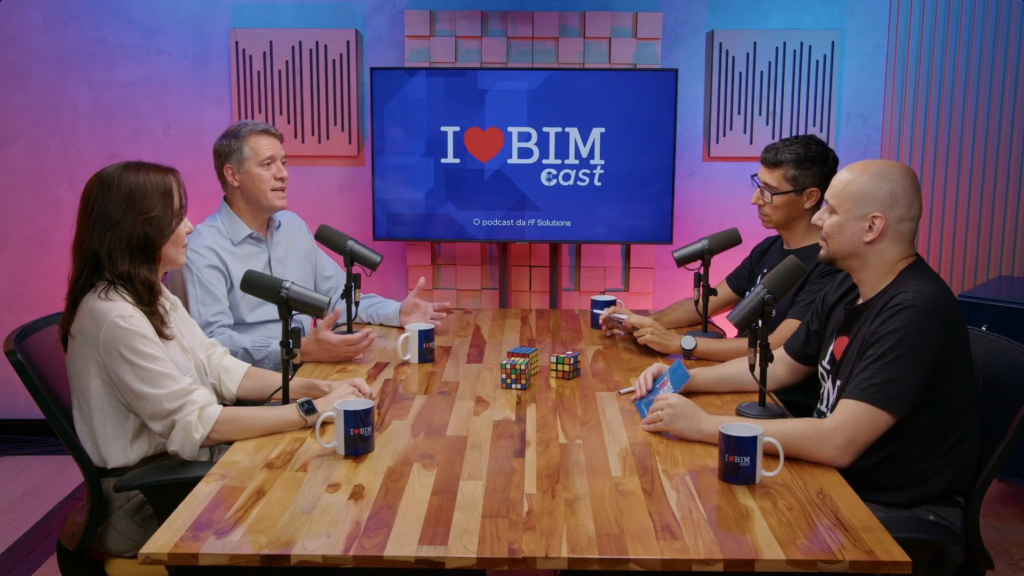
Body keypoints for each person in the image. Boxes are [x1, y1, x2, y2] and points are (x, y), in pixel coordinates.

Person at [632, 160, 980, 573]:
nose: (817, 219)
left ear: (872, 227)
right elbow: (779, 365)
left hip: (886, 509)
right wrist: (685, 379)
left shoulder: (914, 312)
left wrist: (704, 425)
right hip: (833, 480)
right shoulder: (847, 284)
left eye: (830, 210)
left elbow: (839, 441)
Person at [62, 161, 373, 557]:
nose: (190, 227)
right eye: (176, 217)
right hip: (148, 498)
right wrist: (312, 409)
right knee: (309, 494)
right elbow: (199, 423)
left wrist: (316, 387)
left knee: (315, 466)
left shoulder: (150, 294)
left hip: (182, 469)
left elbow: (219, 367)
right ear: (136, 228)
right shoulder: (115, 317)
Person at [603, 134, 844, 416]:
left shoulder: (828, 266)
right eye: (758, 185)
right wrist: (643, 323)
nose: (755, 199)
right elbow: (705, 304)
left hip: (775, 404)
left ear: (810, 197)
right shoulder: (769, 247)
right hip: (736, 380)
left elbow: (777, 348)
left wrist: (678, 343)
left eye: (769, 191)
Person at [183, 120, 450, 371]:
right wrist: (296, 350)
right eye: (267, 164)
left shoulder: (293, 227)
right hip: (253, 389)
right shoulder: (201, 249)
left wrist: (396, 312)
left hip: (311, 369)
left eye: (283, 163)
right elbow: (212, 344)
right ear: (233, 175)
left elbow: (338, 299)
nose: (283, 174)